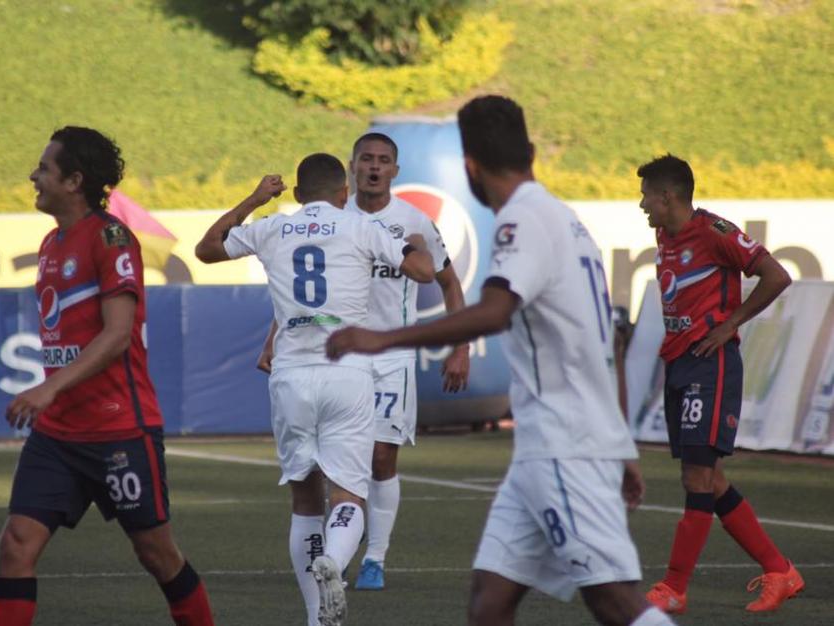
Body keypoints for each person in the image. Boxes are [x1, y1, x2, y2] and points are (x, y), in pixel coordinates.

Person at [326, 95, 674, 626]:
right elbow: (607, 344)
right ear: (530, 151)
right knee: (489, 602)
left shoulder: (522, 221)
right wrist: (622, 442)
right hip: (545, 451)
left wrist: (382, 339)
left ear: (469, 168)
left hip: (565, 445)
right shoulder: (568, 220)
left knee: (613, 600)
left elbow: (493, 311)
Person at [194, 155, 434, 626]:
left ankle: (316, 618)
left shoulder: (271, 227)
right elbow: (425, 272)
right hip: (346, 373)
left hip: (291, 377)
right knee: (350, 496)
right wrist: (416, 242)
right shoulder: (361, 227)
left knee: (305, 500)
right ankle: (336, 561)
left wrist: (254, 199)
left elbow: (206, 249)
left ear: (298, 195)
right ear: (343, 193)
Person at [0, 127, 214, 626]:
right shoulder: (52, 241)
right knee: (17, 544)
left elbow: (117, 336)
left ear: (74, 180)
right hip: (58, 435)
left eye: (44, 168)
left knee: (157, 554)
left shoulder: (112, 238)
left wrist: (48, 386)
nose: (34, 175)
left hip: (119, 431)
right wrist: (54, 396)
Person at [257, 132, 471, 592]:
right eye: (366, 159)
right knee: (325, 471)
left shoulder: (414, 222)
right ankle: (337, 556)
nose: (374, 167)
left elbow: (449, 284)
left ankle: (374, 556)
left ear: (395, 170)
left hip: (390, 355)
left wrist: (461, 346)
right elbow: (302, 290)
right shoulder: (331, 215)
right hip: (334, 355)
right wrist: (273, 338)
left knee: (379, 457)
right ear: (351, 168)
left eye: (384, 161)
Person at [636, 154, 802, 614]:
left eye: (647, 194)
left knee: (697, 476)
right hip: (680, 363)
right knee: (710, 478)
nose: (642, 204)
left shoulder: (715, 232)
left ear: (668, 196)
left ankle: (674, 587)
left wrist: (732, 324)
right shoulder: (663, 234)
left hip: (711, 364)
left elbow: (777, 275)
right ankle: (779, 570)